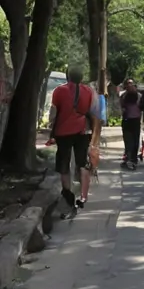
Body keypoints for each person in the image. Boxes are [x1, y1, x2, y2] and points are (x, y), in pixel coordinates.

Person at [48, 66, 101, 213]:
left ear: (68, 76)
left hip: (63, 132)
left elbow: (53, 113)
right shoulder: (89, 91)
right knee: (82, 163)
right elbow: (94, 112)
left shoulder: (59, 91)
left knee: (64, 163)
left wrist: (51, 128)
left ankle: (68, 195)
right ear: (81, 77)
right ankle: (83, 197)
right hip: (83, 131)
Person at [119, 79, 143, 170]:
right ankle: (129, 158)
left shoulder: (139, 96)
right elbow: (121, 107)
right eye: (128, 84)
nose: (130, 86)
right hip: (127, 121)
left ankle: (133, 159)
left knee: (135, 141)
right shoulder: (123, 96)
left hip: (135, 120)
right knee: (128, 141)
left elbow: (142, 108)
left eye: (131, 84)